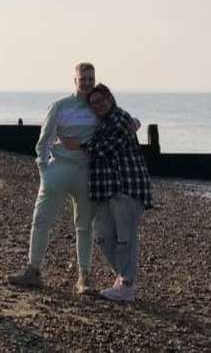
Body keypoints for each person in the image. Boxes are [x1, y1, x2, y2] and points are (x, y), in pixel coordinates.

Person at [9, 62, 98, 294]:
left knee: (85, 226)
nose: (87, 83)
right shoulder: (59, 106)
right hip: (58, 170)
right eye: (83, 78)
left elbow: (119, 124)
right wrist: (44, 171)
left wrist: (134, 122)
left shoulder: (99, 108)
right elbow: (44, 140)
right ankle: (33, 270)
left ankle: (84, 277)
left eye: (91, 78)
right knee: (41, 221)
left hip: (87, 173)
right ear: (75, 80)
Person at [62, 84, 152, 302]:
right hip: (105, 191)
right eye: (93, 103)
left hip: (126, 187)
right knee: (102, 237)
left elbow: (104, 148)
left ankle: (127, 286)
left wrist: (79, 144)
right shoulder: (104, 122)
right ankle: (124, 278)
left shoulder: (120, 119)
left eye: (101, 101)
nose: (98, 106)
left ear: (111, 99)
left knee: (125, 239)